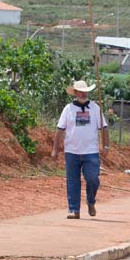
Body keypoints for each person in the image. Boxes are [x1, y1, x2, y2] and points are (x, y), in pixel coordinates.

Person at [52, 80, 109, 219]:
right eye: (80, 91)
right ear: (76, 93)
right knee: (72, 180)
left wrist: (106, 146)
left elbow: (104, 128)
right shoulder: (68, 109)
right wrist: (55, 149)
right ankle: (74, 210)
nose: (83, 94)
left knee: (92, 178)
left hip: (91, 151)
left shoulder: (95, 108)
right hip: (72, 151)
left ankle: (91, 201)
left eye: (85, 91)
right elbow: (60, 130)